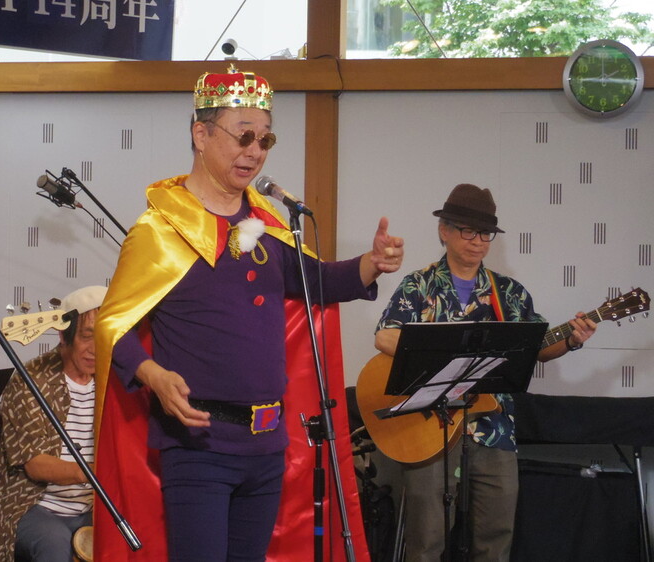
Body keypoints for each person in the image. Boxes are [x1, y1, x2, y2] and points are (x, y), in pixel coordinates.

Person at [93, 66, 404, 561]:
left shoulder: (265, 223)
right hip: (198, 446)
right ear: (201, 134)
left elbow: (316, 281)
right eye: (244, 136)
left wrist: (371, 263)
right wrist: (152, 375)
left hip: (266, 444)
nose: (255, 151)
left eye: (265, 139)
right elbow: (111, 324)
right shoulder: (161, 230)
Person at [373, 183, 597, 561]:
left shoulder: (509, 293)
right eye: (467, 231)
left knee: (496, 540)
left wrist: (572, 340)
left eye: (485, 234)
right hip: (430, 429)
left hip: (494, 430)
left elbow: (539, 348)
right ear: (444, 231)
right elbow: (385, 336)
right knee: (426, 542)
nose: (477, 241)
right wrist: (447, 355)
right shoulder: (418, 284)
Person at [0, 285, 106, 562]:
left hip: (95, 507)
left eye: (103, 338)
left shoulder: (112, 379)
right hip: (36, 506)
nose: (95, 349)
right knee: (54, 544)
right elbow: (36, 464)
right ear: (63, 335)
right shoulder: (30, 380)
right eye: (86, 336)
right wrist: (95, 472)